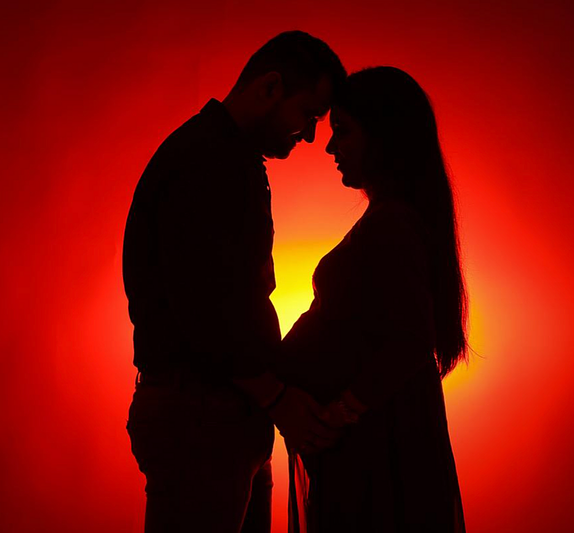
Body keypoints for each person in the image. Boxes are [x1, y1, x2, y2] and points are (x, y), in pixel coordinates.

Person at [122, 31, 346, 533]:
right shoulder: (207, 163)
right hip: (202, 415)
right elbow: (205, 310)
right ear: (270, 87)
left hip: (220, 412)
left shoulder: (224, 159)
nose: (311, 135)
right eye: (309, 114)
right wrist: (277, 398)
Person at [276, 66, 467, 532]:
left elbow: (411, 339)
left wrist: (340, 412)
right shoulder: (389, 220)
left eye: (342, 131)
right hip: (372, 448)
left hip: (377, 455)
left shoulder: (393, 226)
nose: (330, 147)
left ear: (383, 136)